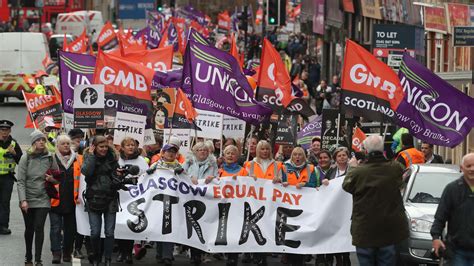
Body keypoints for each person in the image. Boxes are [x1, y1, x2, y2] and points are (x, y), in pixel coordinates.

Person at [343, 135, 408, 265]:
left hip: (365, 230)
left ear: (366, 151)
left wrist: (352, 168)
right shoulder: (395, 168)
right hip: (389, 229)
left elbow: (347, 186)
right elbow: (402, 182)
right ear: (382, 149)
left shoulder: (358, 172)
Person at [278, 147, 328, 266]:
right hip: (289, 207)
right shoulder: (284, 167)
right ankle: (289, 258)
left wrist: (305, 184)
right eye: (295, 154)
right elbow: (279, 183)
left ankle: (300, 260)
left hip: (305, 208)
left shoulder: (312, 168)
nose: (297, 157)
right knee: (290, 233)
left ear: (304, 156)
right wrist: (283, 183)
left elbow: (315, 185)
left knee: (302, 234)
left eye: (300, 155)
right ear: (291, 156)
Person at [17, 130, 59, 266]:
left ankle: (38, 259)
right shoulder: (26, 158)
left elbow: (57, 179)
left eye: (43, 140)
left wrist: (52, 179)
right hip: (28, 198)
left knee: (39, 227)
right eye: (38, 140)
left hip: (43, 198)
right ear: (33, 143)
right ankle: (28, 256)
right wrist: (23, 200)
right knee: (29, 228)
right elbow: (21, 181)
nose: (41, 142)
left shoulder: (50, 157)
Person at [244, 140, 285, 266]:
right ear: (257, 150)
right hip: (254, 200)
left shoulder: (278, 165)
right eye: (262, 149)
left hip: (270, 200)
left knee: (267, 227)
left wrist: (279, 180)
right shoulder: (249, 164)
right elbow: (243, 181)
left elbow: (283, 183)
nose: (265, 151)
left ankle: (263, 255)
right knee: (255, 227)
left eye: (267, 149)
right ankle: (256, 255)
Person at [81, 136, 120, 266]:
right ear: (94, 147)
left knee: (109, 232)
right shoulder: (88, 157)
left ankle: (108, 258)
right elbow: (86, 171)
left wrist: (119, 175)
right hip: (93, 199)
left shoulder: (113, 158)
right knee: (95, 232)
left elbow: (117, 177)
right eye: (101, 147)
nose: (103, 149)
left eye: (105, 146)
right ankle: (96, 256)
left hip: (110, 198)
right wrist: (91, 156)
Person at [430, 153, 474, 264]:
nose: (472, 169)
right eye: (468, 166)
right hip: (458, 250)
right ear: (461, 168)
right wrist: (436, 237)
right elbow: (440, 216)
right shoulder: (452, 189)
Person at [148, 140, 184, 266]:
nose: (171, 154)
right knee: (159, 227)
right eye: (168, 151)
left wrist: (181, 173)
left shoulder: (179, 166)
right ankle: (159, 253)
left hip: (172, 202)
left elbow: (185, 179)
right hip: (158, 201)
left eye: (173, 152)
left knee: (170, 228)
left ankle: (167, 255)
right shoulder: (156, 165)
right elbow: (146, 178)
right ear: (162, 153)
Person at [182, 142, 218, 265]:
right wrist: (190, 177)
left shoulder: (213, 164)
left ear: (208, 153)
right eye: (200, 150)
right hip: (191, 198)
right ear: (195, 152)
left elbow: (218, 178)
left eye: (205, 150)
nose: (202, 152)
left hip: (207, 199)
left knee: (205, 226)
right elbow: (181, 174)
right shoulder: (189, 162)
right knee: (193, 225)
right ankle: (194, 254)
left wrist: (212, 178)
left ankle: (204, 253)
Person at [49, 134, 82, 264]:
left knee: (70, 229)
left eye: (68, 143)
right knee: (55, 228)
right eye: (63, 143)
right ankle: (56, 253)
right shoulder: (51, 159)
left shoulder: (79, 159)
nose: (66, 145)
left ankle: (67, 251)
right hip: (55, 200)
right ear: (57, 146)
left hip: (72, 200)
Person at [116, 137, 150, 264]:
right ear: (122, 147)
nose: (131, 147)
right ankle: (121, 251)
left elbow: (147, 177)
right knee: (119, 223)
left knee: (130, 223)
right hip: (120, 196)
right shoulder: (117, 159)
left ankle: (128, 253)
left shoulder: (141, 161)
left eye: (132, 145)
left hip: (134, 197)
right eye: (127, 145)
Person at [217, 145, 248, 266]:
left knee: (235, 231)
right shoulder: (219, 171)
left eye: (233, 153)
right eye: (227, 153)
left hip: (237, 206)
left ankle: (233, 256)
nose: (230, 155)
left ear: (237, 156)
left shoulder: (243, 171)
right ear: (224, 156)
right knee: (225, 231)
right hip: (223, 206)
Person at [0, 120, 22, 235]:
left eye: (6, 130)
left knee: (4, 202)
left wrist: (14, 154)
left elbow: (21, 161)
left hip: (7, 178)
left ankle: (3, 226)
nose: (4, 132)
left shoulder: (13, 143)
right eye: (2, 130)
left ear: (10, 130)